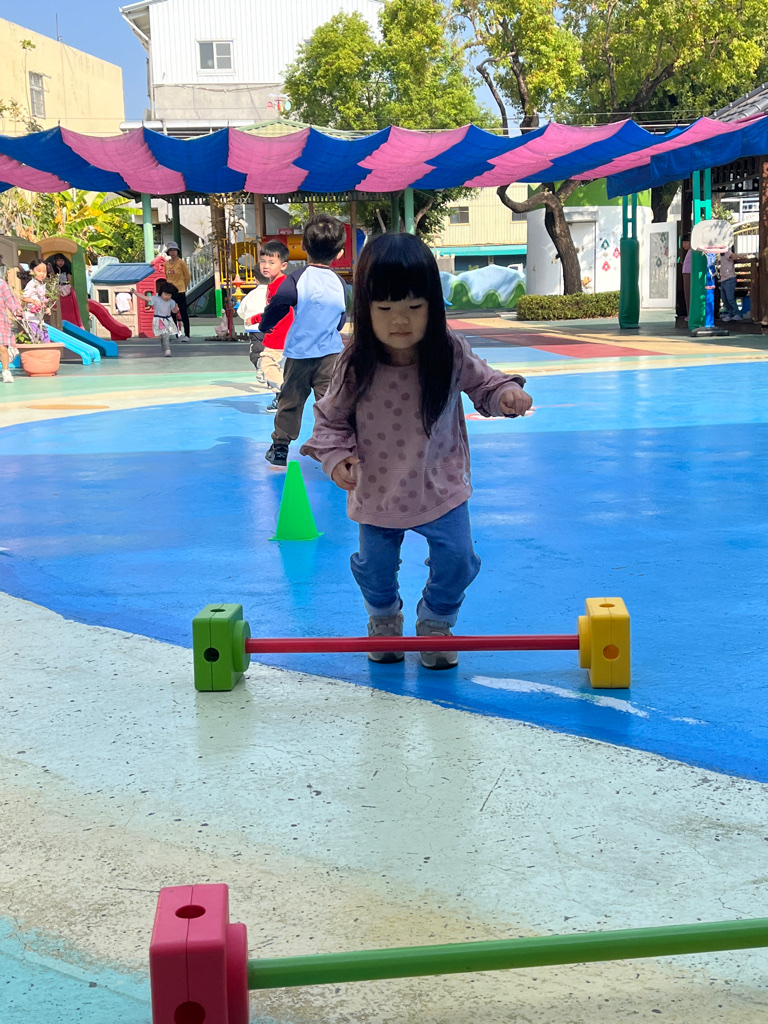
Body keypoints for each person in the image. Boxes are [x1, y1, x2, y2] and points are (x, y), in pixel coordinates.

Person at [300, 233, 533, 669]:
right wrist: (336, 459)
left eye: (414, 307)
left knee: (459, 560)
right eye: (385, 309)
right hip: (378, 488)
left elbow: (485, 382)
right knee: (374, 566)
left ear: (434, 306)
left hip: (439, 483)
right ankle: (384, 619)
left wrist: (504, 394)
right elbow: (329, 420)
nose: (400, 321)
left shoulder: (447, 351)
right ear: (365, 309)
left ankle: (436, 622)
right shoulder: (356, 363)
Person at [258, 214, 347, 466]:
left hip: (299, 355)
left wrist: (266, 324)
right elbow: (341, 317)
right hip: (330, 355)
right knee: (330, 403)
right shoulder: (340, 283)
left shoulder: (297, 279)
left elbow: (279, 303)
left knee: (290, 401)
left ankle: (280, 447)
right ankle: (336, 447)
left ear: (304, 246)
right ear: (339, 253)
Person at [247, 241, 293, 412]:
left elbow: (277, 311)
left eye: (271, 262)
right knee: (276, 367)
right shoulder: (277, 283)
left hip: (279, 335)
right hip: (280, 334)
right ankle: (280, 399)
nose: (265, 266)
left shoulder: (280, 286)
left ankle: (286, 393)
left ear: (283, 265)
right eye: (263, 261)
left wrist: (256, 319)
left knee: (267, 364)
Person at [163, 242, 191, 340]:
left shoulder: (181, 263)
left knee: (183, 312)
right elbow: (167, 277)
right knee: (171, 313)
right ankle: (173, 333)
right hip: (170, 292)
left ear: (177, 251)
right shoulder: (166, 264)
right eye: (171, 250)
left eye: (174, 250)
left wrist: (184, 287)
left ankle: (187, 335)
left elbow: (187, 276)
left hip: (180, 291)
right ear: (168, 252)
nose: (173, 252)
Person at [21, 259, 51, 344]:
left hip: (39, 318)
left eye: (44, 271)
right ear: (32, 271)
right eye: (39, 271)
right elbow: (24, 297)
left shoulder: (41, 284)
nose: (42, 274)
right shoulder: (31, 284)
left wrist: (47, 308)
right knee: (37, 341)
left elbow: (42, 299)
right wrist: (34, 301)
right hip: (31, 318)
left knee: (46, 339)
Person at [0, 275, 23, 383]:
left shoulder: (1, 283)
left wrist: (16, 310)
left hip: (0, 320)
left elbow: (10, 299)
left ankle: (6, 371)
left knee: (2, 347)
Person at [149, 279, 179, 357]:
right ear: (161, 293)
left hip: (168, 320)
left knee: (168, 336)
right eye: (165, 294)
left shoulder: (171, 301)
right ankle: (167, 350)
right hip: (159, 320)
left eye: (169, 295)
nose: (167, 297)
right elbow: (145, 298)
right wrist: (135, 292)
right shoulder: (156, 299)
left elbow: (173, 311)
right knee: (165, 334)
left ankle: (165, 346)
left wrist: (175, 310)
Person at [718, 247, 740, 322]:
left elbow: (732, 256)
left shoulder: (726, 251)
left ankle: (737, 313)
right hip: (723, 279)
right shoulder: (721, 254)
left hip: (730, 278)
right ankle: (730, 314)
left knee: (730, 298)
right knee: (724, 298)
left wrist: (742, 256)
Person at [681, 234, 692, 321]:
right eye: (683, 243)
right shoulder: (689, 251)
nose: (684, 245)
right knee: (687, 294)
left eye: (686, 242)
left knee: (689, 293)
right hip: (686, 273)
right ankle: (689, 313)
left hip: (689, 273)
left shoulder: (693, 252)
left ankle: (690, 314)